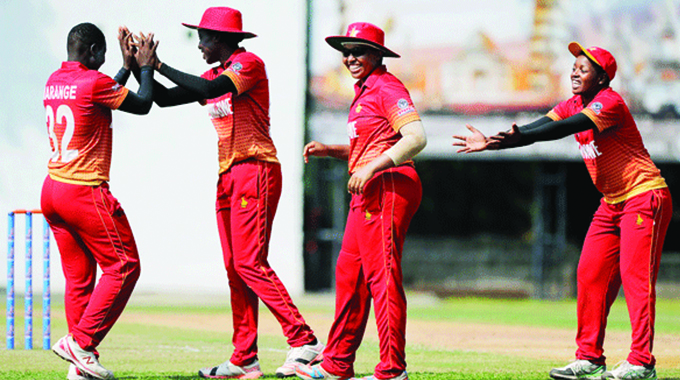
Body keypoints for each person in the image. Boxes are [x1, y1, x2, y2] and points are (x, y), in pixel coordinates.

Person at [453, 42, 672, 380]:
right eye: (573, 67)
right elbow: (540, 126)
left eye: (583, 69)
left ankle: (642, 362)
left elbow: (562, 128)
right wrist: (500, 140)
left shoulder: (608, 103)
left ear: (601, 78)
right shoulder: (573, 103)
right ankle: (589, 358)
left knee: (635, 279)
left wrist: (518, 138)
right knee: (590, 275)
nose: (574, 72)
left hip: (643, 197)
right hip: (611, 203)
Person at [126, 7, 323, 379]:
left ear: (221, 40)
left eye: (203, 38)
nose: (199, 45)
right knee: (236, 268)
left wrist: (160, 63)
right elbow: (164, 100)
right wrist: (140, 66)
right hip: (228, 174)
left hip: (256, 168)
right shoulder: (214, 72)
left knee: (250, 262)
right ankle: (245, 357)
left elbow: (210, 91)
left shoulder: (248, 64)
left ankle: (304, 340)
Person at [295, 22, 427, 380]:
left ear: (377, 55)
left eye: (359, 51)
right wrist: (332, 150)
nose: (351, 57)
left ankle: (392, 370)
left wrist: (371, 168)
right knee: (349, 274)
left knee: (381, 276)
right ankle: (337, 364)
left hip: (390, 185)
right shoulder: (364, 91)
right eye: (346, 52)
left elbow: (415, 137)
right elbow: (369, 147)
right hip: (369, 188)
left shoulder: (387, 87)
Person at [43, 22, 157, 380]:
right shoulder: (94, 82)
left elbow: (100, 95)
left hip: (52, 190)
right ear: (93, 51)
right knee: (124, 265)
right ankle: (81, 343)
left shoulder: (55, 80)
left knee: (80, 281)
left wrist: (123, 68)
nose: (106, 60)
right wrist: (145, 68)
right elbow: (142, 105)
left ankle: (80, 366)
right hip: (83, 190)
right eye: (103, 54)